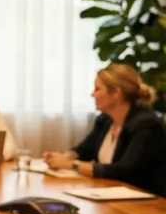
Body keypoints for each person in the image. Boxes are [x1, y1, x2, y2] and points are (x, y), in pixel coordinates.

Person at [43, 64, 166, 195]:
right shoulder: (105, 120)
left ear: (116, 93)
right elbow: (84, 150)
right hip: (111, 195)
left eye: (97, 89)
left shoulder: (146, 125)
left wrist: (72, 165)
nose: (92, 94)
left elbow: (125, 171)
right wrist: (64, 157)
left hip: (147, 204)